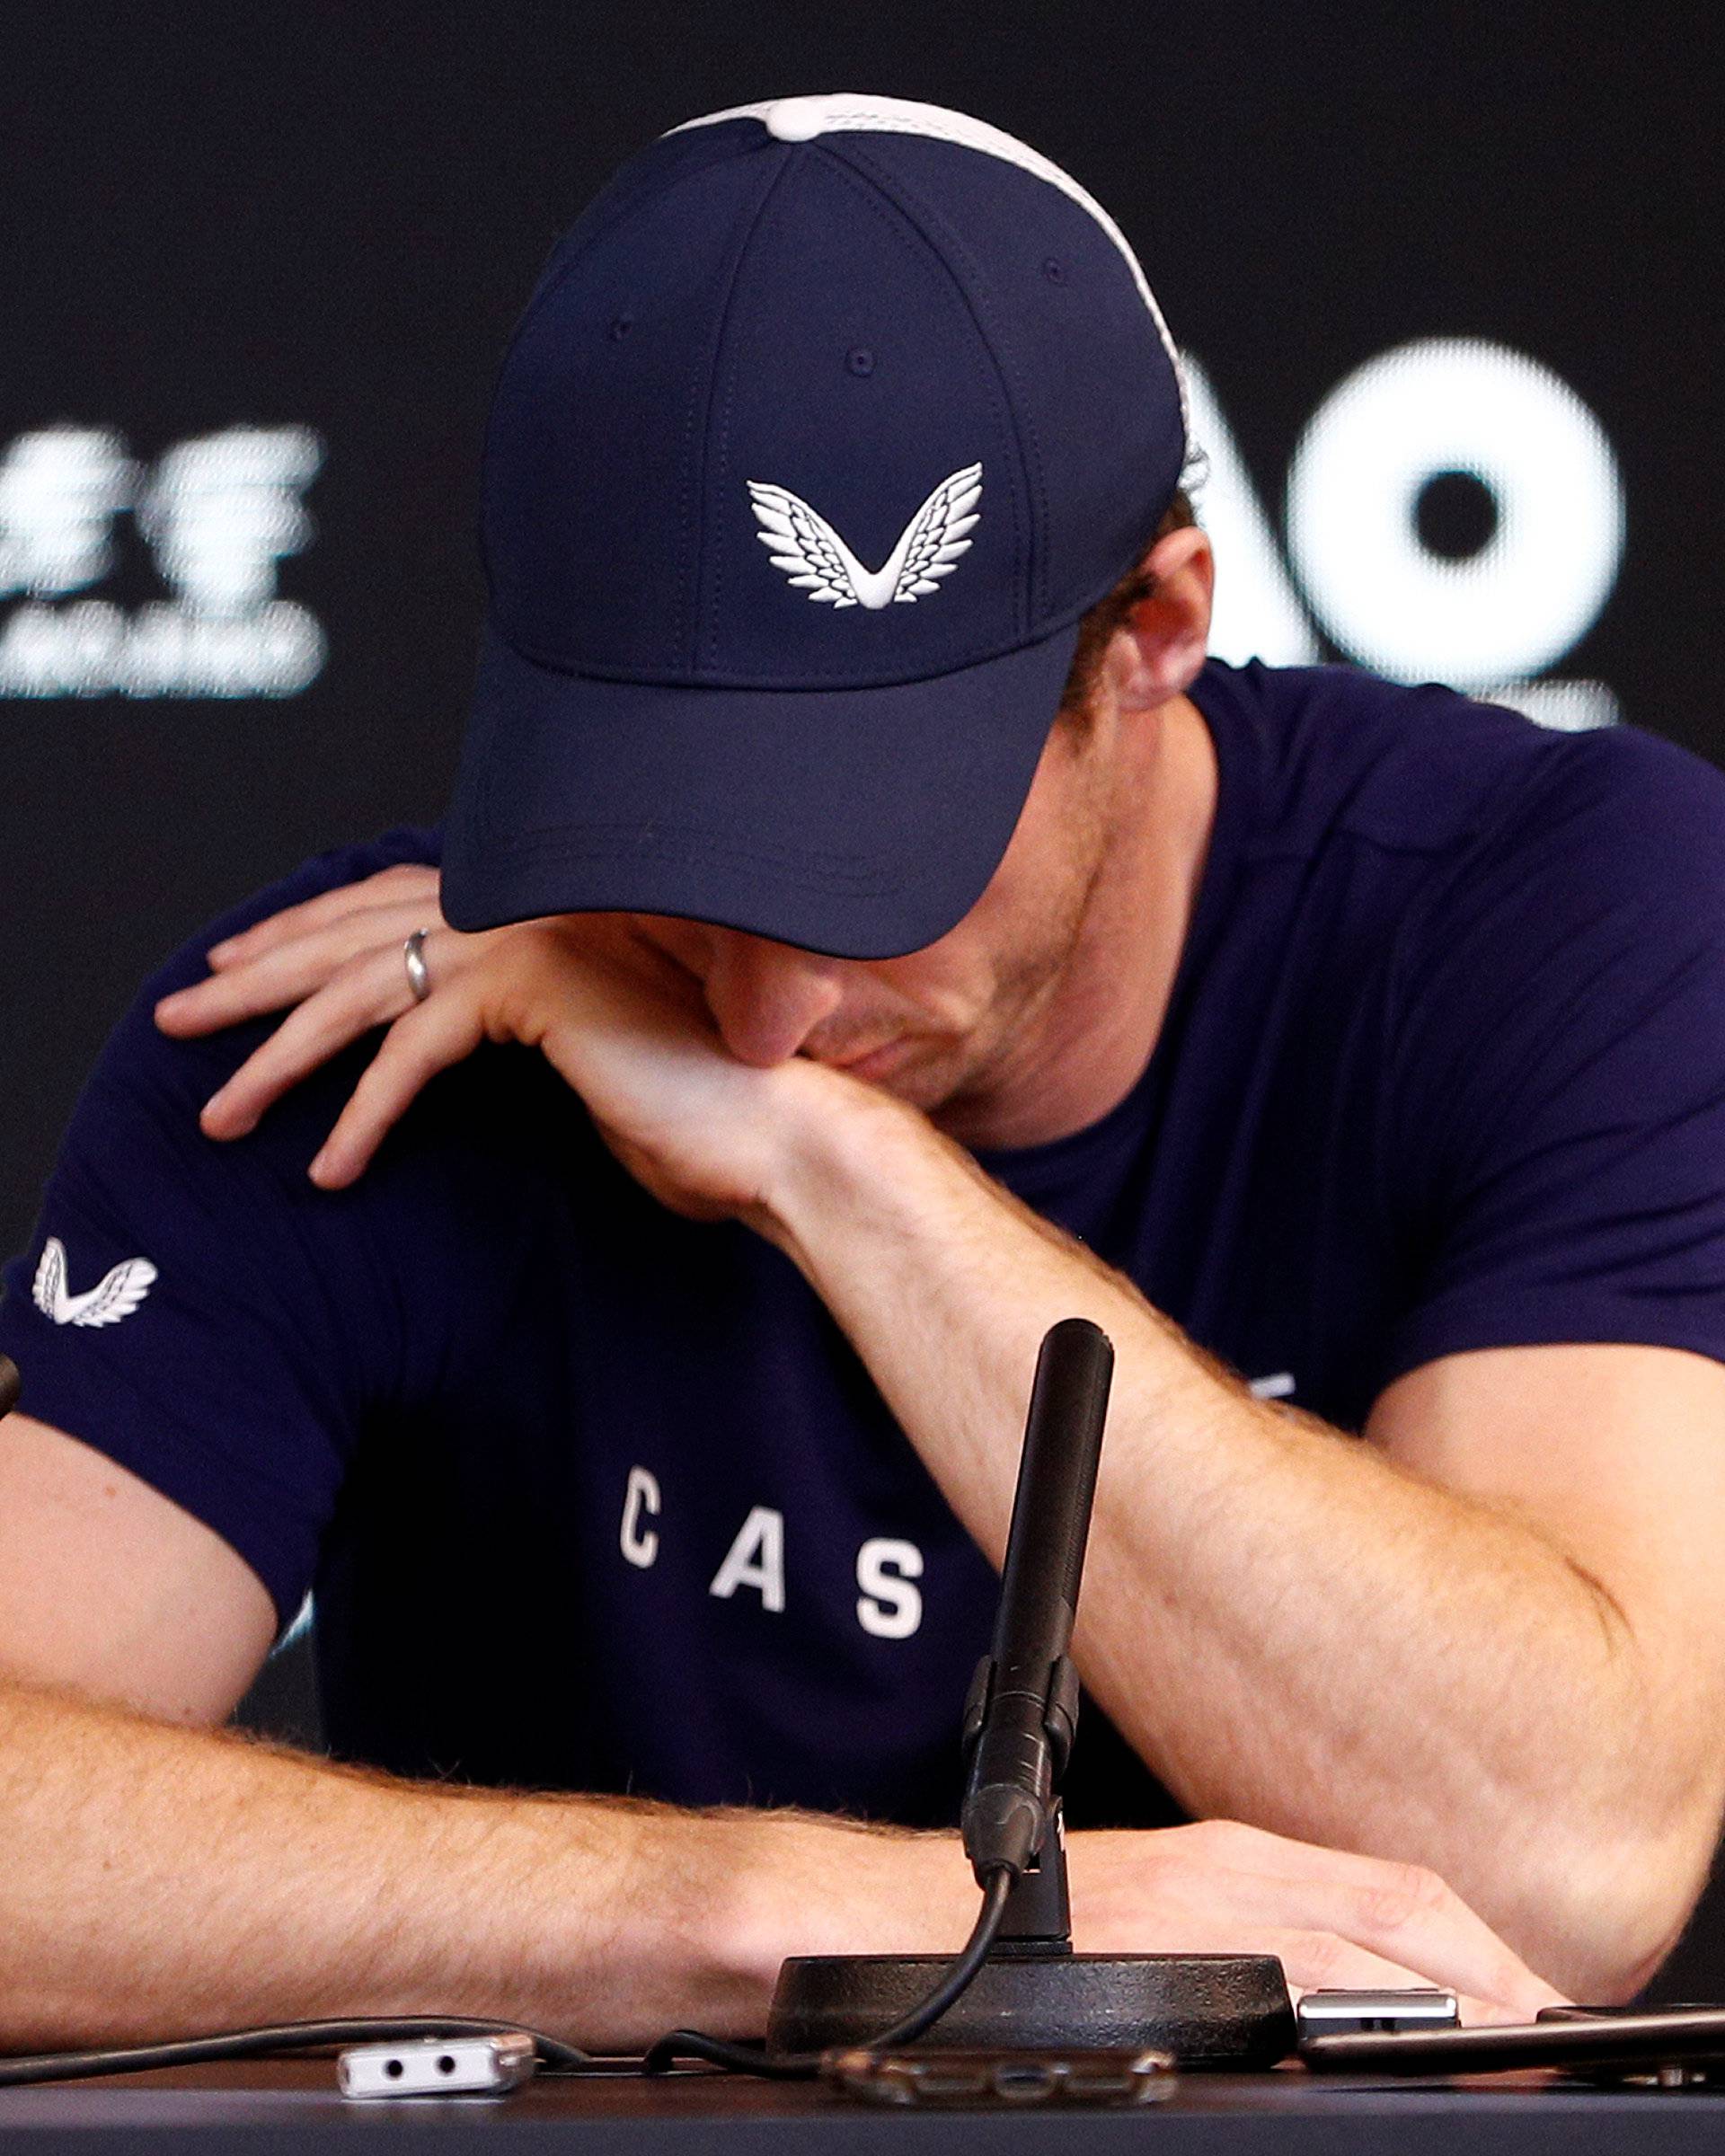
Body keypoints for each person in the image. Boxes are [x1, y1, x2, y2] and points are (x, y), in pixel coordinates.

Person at [2, 94, 1721, 2053]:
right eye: (671, 858)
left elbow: (1567, 1870)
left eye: (864, 866)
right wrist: (778, 1910)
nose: (756, 1004)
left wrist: (832, 1169)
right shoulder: (374, 1020)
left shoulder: (1540, 909)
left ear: (1151, 634)